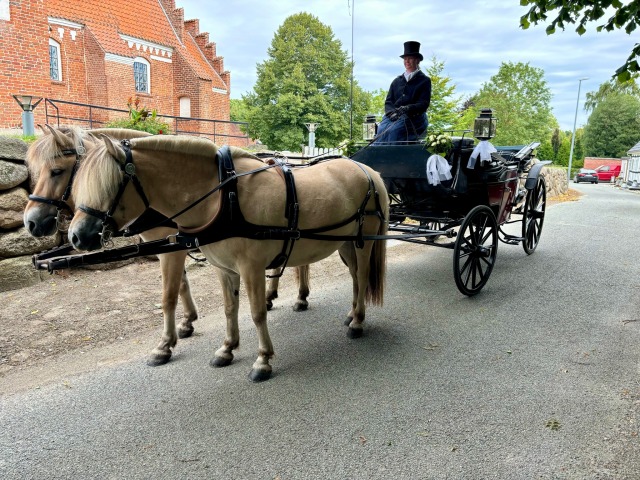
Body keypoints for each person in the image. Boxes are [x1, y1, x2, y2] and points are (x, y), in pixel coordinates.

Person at [373, 41, 431, 144]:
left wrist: (408, 108)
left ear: (417, 60)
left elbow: (423, 104)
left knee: (394, 131)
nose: (407, 61)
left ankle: (391, 157)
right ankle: (377, 154)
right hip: (395, 116)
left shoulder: (424, 81)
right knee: (381, 129)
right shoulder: (397, 81)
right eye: (405, 59)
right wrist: (391, 113)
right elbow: (389, 101)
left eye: (410, 58)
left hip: (414, 118)